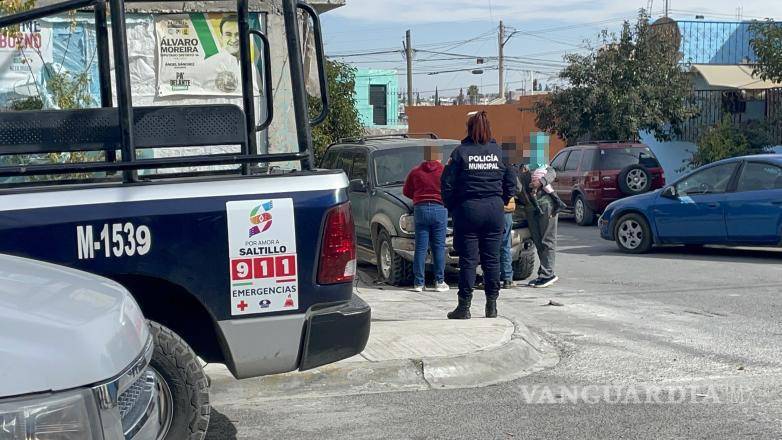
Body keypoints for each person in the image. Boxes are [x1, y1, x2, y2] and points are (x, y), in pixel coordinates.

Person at [441, 111, 516, 319]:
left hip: (468, 210)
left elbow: (446, 184)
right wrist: (499, 201)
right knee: (492, 260)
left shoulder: (460, 153)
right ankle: (491, 306)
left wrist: (454, 208)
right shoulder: (500, 153)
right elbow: (512, 184)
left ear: (469, 129)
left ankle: (464, 307)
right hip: (494, 211)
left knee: (468, 260)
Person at [403, 145, 449, 293]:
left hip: (420, 209)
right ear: (439, 156)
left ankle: (418, 283)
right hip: (439, 208)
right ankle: (439, 281)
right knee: (438, 247)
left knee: (421, 248)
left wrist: (419, 198)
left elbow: (406, 191)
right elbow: (451, 189)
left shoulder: (415, 172)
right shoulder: (444, 171)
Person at [517, 164, 560, 288]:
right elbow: (518, 187)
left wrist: (540, 182)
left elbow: (551, 173)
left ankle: (548, 274)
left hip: (546, 206)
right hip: (531, 207)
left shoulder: (542, 167)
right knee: (538, 240)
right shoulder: (519, 168)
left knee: (547, 240)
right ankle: (544, 273)